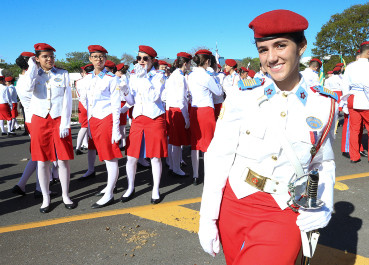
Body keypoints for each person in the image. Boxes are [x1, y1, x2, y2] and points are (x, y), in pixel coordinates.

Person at [198, 10, 337, 264]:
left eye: (281, 45)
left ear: (301, 46)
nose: (271, 58)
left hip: (283, 209)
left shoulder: (324, 103)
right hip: (234, 202)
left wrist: (324, 203)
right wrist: (207, 217)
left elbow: (323, 162)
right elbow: (219, 157)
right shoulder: (243, 95)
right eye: (263, 49)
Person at [23, 43, 76, 213]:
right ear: (37, 58)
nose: (49, 59)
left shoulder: (63, 73)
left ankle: (65, 194)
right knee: (42, 161)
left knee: (62, 161)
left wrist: (66, 123)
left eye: (51, 56)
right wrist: (32, 68)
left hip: (58, 118)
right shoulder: (31, 75)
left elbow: (68, 100)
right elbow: (26, 90)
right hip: (40, 120)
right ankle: (45, 197)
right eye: (45, 56)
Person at [79, 45, 132, 207]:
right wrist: (88, 125)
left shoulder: (112, 79)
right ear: (90, 59)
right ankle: (110, 186)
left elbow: (116, 105)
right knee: (103, 155)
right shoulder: (87, 80)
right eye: (95, 57)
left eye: (101, 57)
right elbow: (85, 102)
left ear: (105, 59)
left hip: (107, 119)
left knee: (110, 157)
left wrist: (116, 129)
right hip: (94, 120)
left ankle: (109, 192)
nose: (98, 60)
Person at [122, 45, 167, 204]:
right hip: (138, 118)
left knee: (155, 157)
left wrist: (144, 79)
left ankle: (155, 189)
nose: (141, 61)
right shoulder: (133, 76)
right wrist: (125, 91)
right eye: (139, 58)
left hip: (154, 118)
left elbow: (154, 97)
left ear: (152, 60)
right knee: (131, 157)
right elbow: (132, 101)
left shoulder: (159, 76)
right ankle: (130, 187)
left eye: (145, 58)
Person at [187, 49, 223, 185]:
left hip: (194, 110)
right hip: (206, 110)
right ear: (207, 61)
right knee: (208, 145)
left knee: (195, 144)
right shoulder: (207, 76)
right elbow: (219, 92)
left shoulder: (191, 75)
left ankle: (196, 175)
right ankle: (208, 175)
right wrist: (214, 76)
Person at [165, 52, 192, 177]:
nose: (190, 66)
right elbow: (181, 99)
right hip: (177, 110)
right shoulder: (180, 77)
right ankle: (175, 167)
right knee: (176, 143)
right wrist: (186, 118)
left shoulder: (173, 75)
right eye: (189, 63)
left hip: (170, 109)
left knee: (172, 140)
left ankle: (171, 164)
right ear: (185, 64)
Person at [341, 41, 369, 163]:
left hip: (353, 98)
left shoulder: (350, 66)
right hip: (365, 99)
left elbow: (344, 86)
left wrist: (345, 102)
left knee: (354, 129)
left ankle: (354, 156)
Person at [75, 64, 94, 155]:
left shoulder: (79, 81)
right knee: (86, 127)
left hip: (82, 105)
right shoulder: (91, 80)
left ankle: (83, 144)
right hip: (88, 105)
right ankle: (79, 146)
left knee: (85, 126)